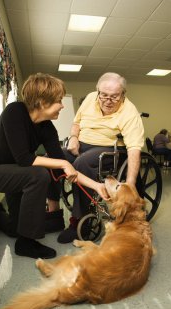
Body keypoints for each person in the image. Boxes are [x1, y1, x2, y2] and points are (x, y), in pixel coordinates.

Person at [0, 73, 109, 259]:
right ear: (41, 102)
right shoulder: (14, 112)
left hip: (18, 176)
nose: (63, 105)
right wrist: (64, 162)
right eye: (58, 100)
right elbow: (24, 158)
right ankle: (26, 243)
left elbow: (60, 168)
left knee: (15, 228)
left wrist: (97, 186)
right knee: (39, 174)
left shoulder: (47, 128)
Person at [57, 72, 144, 244]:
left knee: (80, 164)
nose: (108, 100)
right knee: (52, 157)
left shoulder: (130, 112)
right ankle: (52, 214)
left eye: (114, 96)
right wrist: (73, 137)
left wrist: (130, 185)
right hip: (80, 144)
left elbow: (134, 149)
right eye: (104, 95)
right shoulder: (90, 98)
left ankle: (79, 223)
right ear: (97, 91)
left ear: (123, 95)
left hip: (108, 150)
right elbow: (76, 122)